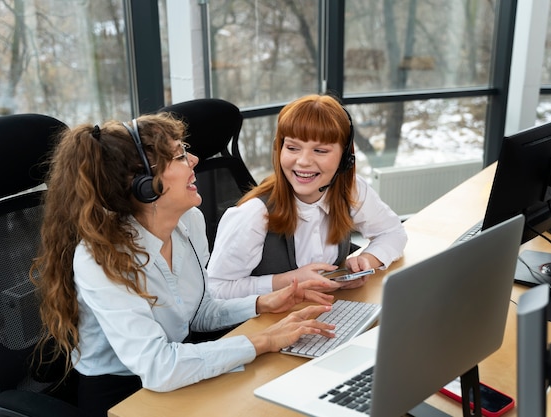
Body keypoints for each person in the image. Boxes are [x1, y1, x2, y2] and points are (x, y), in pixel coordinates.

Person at [30, 112, 336, 417]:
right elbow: (157, 366)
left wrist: (261, 303)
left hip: (179, 366)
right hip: (122, 394)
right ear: (142, 182)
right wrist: (264, 340)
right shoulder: (101, 255)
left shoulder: (188, 221)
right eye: (179, 156)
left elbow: (199, 311)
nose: (195, 160)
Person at [207, 94, 407, 299]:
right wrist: (287, 282)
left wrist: (366, 261)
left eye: (320, 150)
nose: (303, 161)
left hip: (324, 310)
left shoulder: (350, 189)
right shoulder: (253, 215)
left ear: (345, 158)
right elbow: (215, 291)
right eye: (292, 148)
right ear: (279, 149)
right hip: (269, 324)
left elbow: (392, 232)